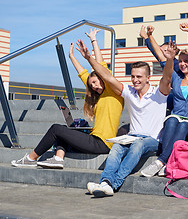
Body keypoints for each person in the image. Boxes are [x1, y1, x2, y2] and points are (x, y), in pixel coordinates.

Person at [11, 29, 124, 168]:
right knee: (64, 130)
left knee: (56, 129)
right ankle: (58, 158)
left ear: (103, 79)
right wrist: (71, 56)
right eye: (92, 85)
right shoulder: (99, 96)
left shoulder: (113, 93)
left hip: (101, 143)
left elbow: (102, 66)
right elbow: (84, 74)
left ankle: (31, 158)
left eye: (96, 82)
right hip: (95, 139)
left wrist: (93, 40)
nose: (94, 86)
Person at [78, 37, 176, 197]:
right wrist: (89, 58)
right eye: (133, 76)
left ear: (148, 78)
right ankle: (105, 182)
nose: (135, 80)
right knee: (116, 146)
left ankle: (113, 183)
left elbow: (167, 77)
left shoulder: (158, 93)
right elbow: (107, 77)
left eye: (139, 77)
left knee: (138, 144)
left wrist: (170, 59)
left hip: (152, 140)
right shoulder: (129, 92)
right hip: (131, 137)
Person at [141, 23, 188, 177]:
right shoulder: (176, 77)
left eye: (186, 61)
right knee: (171, 121)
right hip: (176, 116)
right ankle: (168, 161)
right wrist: (150, 36)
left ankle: (161, 161)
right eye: (180, 61)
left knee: (184, 125)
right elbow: (161, 57)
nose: (182, 64)